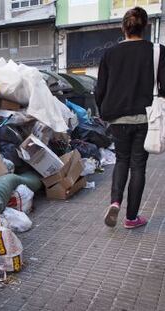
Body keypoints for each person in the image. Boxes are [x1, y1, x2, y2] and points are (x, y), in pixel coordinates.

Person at [96, 7, 165, 229]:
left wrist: (103, 112)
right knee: (138, 166)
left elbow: (100, 90)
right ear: (145, 26)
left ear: (123, 27)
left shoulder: (110, 53)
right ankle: (131, 218)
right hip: (146, 118)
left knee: (121, 161)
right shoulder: (157, 51)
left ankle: (115, 201)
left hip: (117, 118)